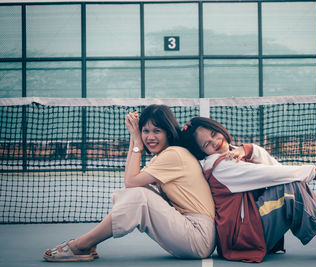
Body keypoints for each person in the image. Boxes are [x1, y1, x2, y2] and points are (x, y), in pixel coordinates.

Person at [181, 116, 316, 262]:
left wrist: (248, 149)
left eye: (214, 134)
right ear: (202, 151)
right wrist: (314, 172)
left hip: (249, 225)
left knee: (295, 183)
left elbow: (274, 166)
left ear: (219, 129)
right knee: (292, 190)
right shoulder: (220, 166)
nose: (215, 142)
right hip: (240, 237)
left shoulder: (232, 153)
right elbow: (272, 174)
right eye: (207, 144)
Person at [43, 105, 216, 262]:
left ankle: (82, 244)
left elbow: (130, 181)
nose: (150, 137)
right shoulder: (165, 156)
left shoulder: (174, 154)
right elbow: (131, 182)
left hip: (198, 235)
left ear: (168, 132)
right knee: (129, 193)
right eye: (145, 131)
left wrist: (136, 141)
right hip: (190, 231)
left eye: (157, 131)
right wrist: (135, 139)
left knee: (137, 195)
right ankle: (87, 244)